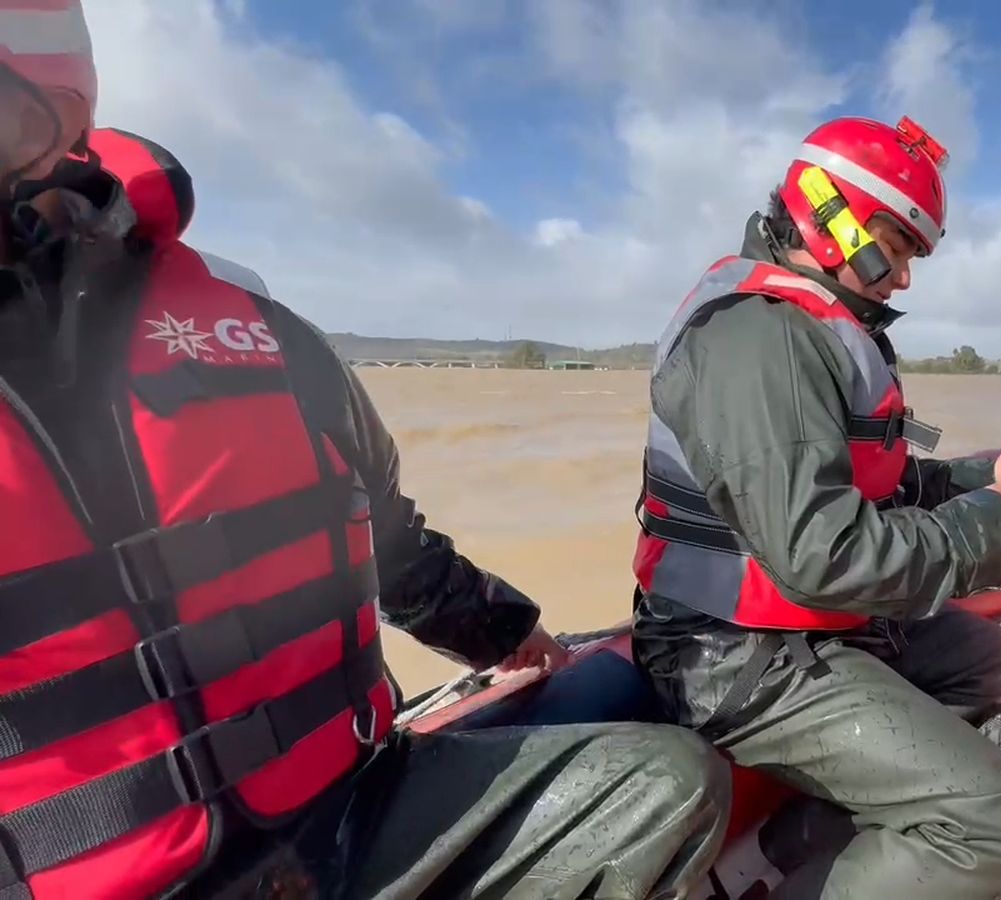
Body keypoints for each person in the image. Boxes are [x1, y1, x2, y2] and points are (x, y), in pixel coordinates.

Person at [0, 5, 729, 898]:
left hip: (355, 804)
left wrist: (508, 632)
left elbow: (386, 537)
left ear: (55, 112)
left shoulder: (257, 324)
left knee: (666, 782)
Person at [628, 112, 1001, 899]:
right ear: (829, 215)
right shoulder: (760, 340)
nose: (904, 277)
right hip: (729, 654)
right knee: (989, 815)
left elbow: (873, 482)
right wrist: (990, 529)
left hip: (802, 622)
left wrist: (980, 478)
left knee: (978, 661)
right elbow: (822, 552)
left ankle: (810, 837)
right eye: (899, 247)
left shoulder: (812, 326)